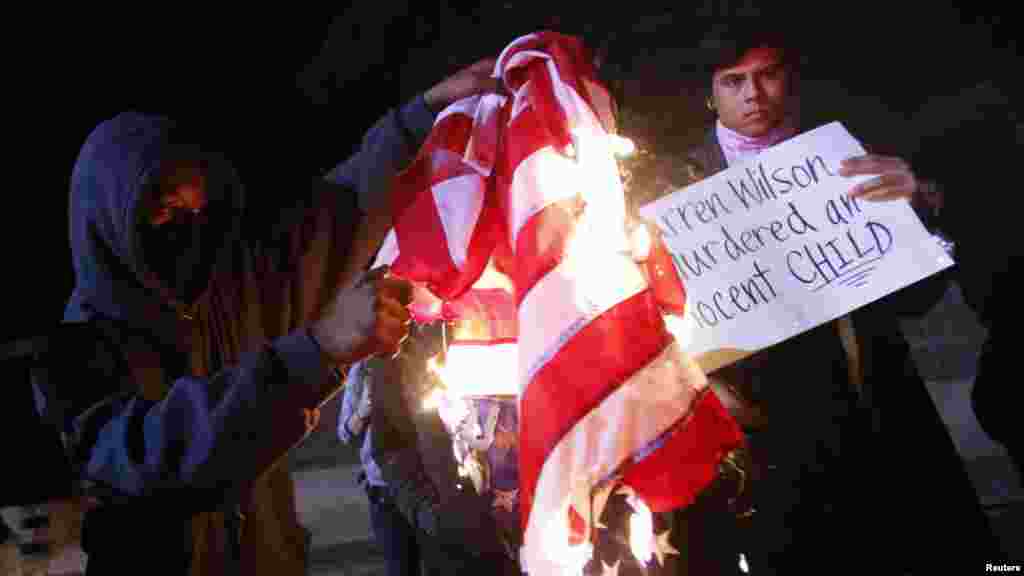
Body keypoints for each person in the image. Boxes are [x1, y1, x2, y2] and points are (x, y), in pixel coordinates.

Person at [39, 59, 500, 575]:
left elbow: (343, 213)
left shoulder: (241, 288)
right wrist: (317, 352)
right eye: (161, 204)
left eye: (196, 198)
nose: (186, 218)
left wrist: (419, 116)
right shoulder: (77, 350)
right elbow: (154, 463)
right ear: (109, 220)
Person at [662, 22, 1005, 574]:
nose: (753, 94)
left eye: (767, 75)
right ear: (711, 94)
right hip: (762, 418)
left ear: (789, 79)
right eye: (734, 80)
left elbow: (919, 299)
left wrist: (920, 205)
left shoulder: (850, 154)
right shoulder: (676, 184)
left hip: (873, 397)